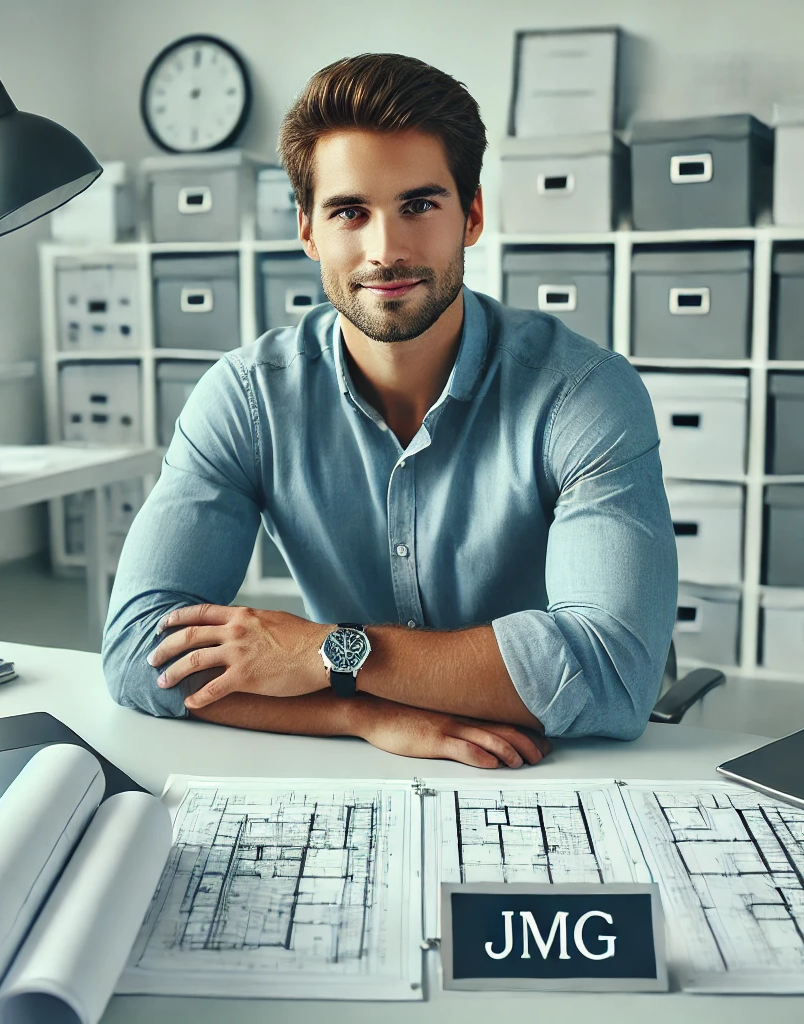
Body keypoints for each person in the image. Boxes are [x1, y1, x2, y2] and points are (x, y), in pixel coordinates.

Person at [102, 53, 677, 769]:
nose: (387, 250)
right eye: (350, 211)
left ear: (470, 216)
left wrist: (324, 651)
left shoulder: (583, 392)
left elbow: (612, 675)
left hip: (560, 762)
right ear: (309, 231)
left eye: (419, 204)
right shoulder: (247, 397)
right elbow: (136, 656)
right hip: (371, 762)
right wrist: (357, 710)